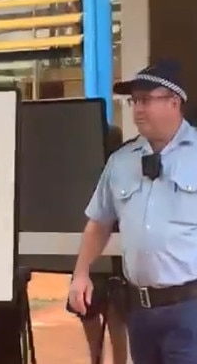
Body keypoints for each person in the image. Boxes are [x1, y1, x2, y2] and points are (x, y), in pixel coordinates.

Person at [67, 59, 197, 364]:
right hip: (140, 311)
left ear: (174, 102)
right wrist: (81, 274)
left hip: (193, 310)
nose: (138, 109)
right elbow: (99, 223)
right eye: (134, 101)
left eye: (147, 100)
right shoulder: (121, 161)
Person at [73, 125, 128, 364]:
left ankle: (99, 360)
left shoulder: (118, 173)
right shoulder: (94, 175)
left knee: (105, 316)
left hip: (110, 260)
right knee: (108, 317)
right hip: (97, 260)